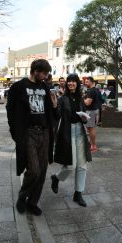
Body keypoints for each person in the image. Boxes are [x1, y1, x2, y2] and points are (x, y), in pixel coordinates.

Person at [6, 59, 58, 216]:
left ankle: (32, 202)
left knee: (42, 171)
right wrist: (16, 133)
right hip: (28, 133)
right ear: (36, 71)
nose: (46, 76)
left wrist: (55, 106)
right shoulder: (19, 87)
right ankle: (23, 196)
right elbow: (10, 111)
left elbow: (53, 112)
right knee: (33, 170)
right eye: (44, 73)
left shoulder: (44, 87)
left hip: (44, 133)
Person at [51, 73, 92, 206]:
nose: (71, 83)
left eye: (73, 81)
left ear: (77, 83)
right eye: (69, 81)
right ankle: (56, 178)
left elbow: (84, 117)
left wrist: (85, 118)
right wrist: (54, 104)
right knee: (70, 165)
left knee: (82, 165)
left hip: (80, 131)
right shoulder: (63, 99)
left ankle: (78, 193)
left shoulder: (80, 98)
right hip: (67, 132)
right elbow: (57, 115)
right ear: (66, 84)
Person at [84, 76, 100, 152]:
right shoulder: (96, 90)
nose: (85, 83)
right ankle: (92, 144)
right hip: (95, 111)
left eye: (87, 82)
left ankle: (93, 146)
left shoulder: (91, 91)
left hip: (91, 111)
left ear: (91, 82)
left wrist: (81, 99)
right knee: (91, 128)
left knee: (91, 129)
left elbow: (88, 103)